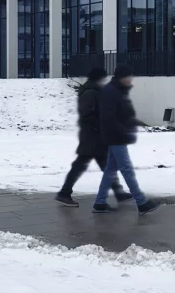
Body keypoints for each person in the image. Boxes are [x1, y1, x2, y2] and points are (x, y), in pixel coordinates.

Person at [56, 67, 132, 207]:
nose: (105, 80)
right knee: (81, 164)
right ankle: (64, 193)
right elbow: (88, 115)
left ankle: (119, 192)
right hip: (91, 136)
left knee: (105, 165)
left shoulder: (94, 90)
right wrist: (101, 126)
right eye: (103, 78)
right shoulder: (91, 92)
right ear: (98, 78)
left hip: (95, 136)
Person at [93, 65, 161, 215]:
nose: (131, 79)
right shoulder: (111, 92)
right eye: (129, 76)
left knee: (110, 170)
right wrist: (123, 131)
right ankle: (141, 202)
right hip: (115, 136)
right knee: (126, 169)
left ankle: (100, 202)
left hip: (116, 135)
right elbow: (109, 117)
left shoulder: (116, 90)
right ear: (122, 77)